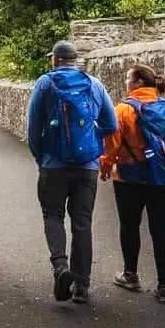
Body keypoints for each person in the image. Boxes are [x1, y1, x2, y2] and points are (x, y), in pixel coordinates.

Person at [27, 40, 117, 304]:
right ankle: (82, 286)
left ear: (54, 60)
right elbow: (110, 124)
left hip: (53, 165)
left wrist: (40, 156)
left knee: (53, 216)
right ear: (76, 61)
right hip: (86, 166)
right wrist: (91, 139)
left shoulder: (45, 83)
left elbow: (33, 127)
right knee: (82, 223)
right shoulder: (94, 85)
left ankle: (60, 268)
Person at [100, 64, 165, 304]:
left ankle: (131, 274)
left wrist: (105, 168)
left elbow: (112, 146)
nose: (126, 82)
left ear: (137, 83)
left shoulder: (123, 110)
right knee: (163, 230)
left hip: (130, 178)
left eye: (128, 78)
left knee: (129, 225)